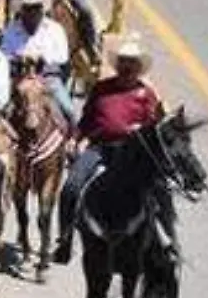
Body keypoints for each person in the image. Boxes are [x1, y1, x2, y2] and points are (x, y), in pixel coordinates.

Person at [54, 37, 166, 265]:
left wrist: (141, 130)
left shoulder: (146, 95)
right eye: (124, 62)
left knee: (157, 192)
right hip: (100, 148)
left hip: (131, 153)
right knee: (70, 187)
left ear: (138, 68)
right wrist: (75, 139)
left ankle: (162, 242)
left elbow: (156, 130)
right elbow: (86, 120)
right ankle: (65, 239)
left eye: (132, 63)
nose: (127, 67)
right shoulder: (102, 89)